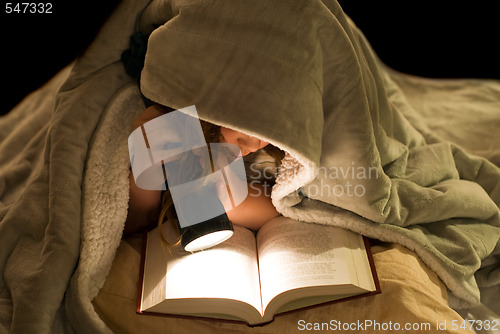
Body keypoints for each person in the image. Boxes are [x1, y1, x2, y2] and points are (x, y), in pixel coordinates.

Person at [124, 103, 283, 238]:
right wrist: (148, 167)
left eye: (268, 129)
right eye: (246, 124)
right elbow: (136, 226)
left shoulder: (276, 155)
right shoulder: (172, 129)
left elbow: (284, 207)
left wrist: (230, 194)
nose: (254, 145)